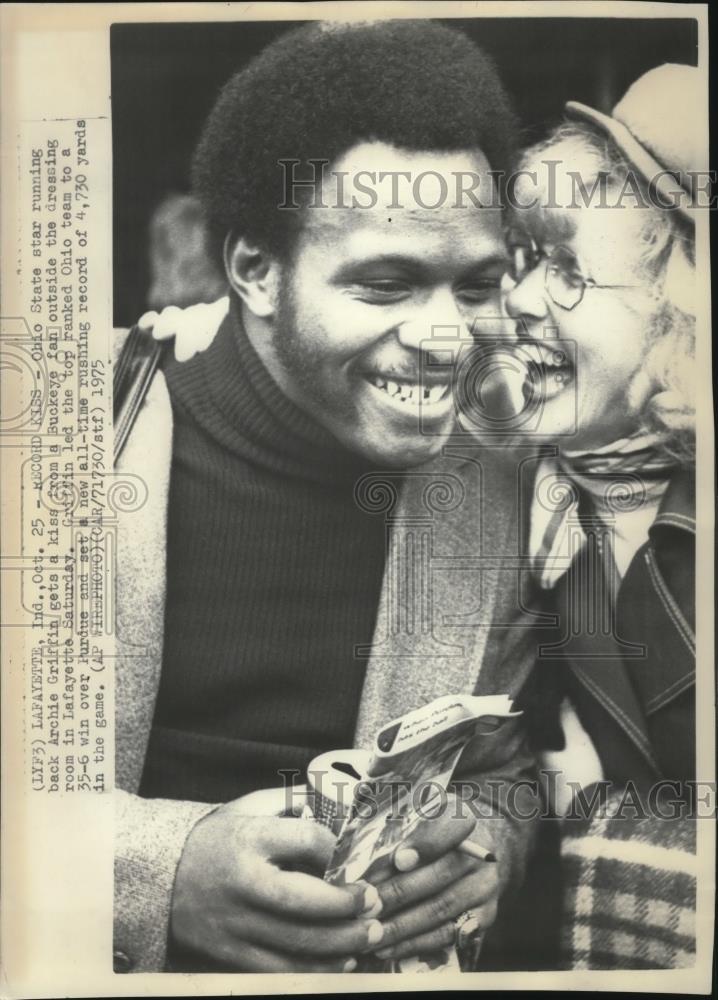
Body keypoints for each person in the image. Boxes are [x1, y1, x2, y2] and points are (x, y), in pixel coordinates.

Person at [113, 20, 541, 975]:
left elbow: (512, 767)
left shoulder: (504, 484)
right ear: (254, 270)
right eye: (388, 284)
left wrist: (488, 853)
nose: (447, 338)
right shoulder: (66, 436)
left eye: (477, 286)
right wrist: (155, 875)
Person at [494, 63, 699, 969]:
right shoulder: (510, 504)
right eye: (525, 259)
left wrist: (592, 821)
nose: (521, 301)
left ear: (680, 317)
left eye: (569, 271)